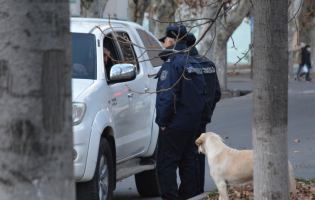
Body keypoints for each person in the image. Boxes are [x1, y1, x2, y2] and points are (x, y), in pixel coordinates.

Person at [155, 25, 206, 200]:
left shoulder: (172, 63)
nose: (164, 45)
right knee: (188, 164)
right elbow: (203, 93)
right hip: (191, 124)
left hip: (174, 125)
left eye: (165, 42)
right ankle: (188, 197)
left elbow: (168, 96)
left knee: (166, 164)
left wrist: (162, 122)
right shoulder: (194, 62)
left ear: (170, 41)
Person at [186, 33, 221, 195]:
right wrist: (208, 110)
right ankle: (199, 189)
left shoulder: (187, 64)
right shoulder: (209, 64)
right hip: (204, 116)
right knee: (199, 153)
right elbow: (217, 93)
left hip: (188, 117)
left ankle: (192, 190)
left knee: (188, 153)